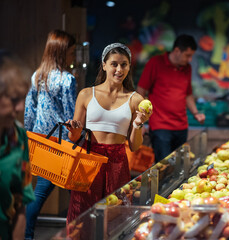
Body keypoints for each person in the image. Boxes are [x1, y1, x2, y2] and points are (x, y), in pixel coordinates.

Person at [65, 43, 151, 223]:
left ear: (129, 67)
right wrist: (74, 130)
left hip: (117, 161)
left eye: (124, 64)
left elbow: (135, 146)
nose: (119, 69)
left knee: (115, 216)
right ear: (104, 65)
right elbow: (73, 137)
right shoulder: (86, 94)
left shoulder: (135, 99)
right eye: (114, 64)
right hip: (88, 159)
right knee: (82, 215)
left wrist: (138, 123)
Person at [24, 29, 77, 239]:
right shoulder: (67, 80)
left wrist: (30, 136)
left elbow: (29, 111)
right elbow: (71, 117)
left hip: (42, 144)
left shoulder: (37, 75)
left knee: (38, 195)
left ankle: (26, 236)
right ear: (62, 53)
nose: (73, 56)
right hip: (63, 146)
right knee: (78, 199)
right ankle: (79, 235)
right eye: (72, 52)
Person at [137, 34, 205, 163]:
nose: (190, 59)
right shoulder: (155, 63)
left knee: (179, 166)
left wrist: (196, 113)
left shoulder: (187, 68)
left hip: (181, 126)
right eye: (187, 55)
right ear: (177, 51)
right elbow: (141, 91)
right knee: (163, 166)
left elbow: (188, 94)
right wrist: (140, 122)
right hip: (160, 126)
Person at [0, 50, 35, 240]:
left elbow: (20, 203)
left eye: (23, 99)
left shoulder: (19, 137)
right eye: (14, 99)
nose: (21, 107)